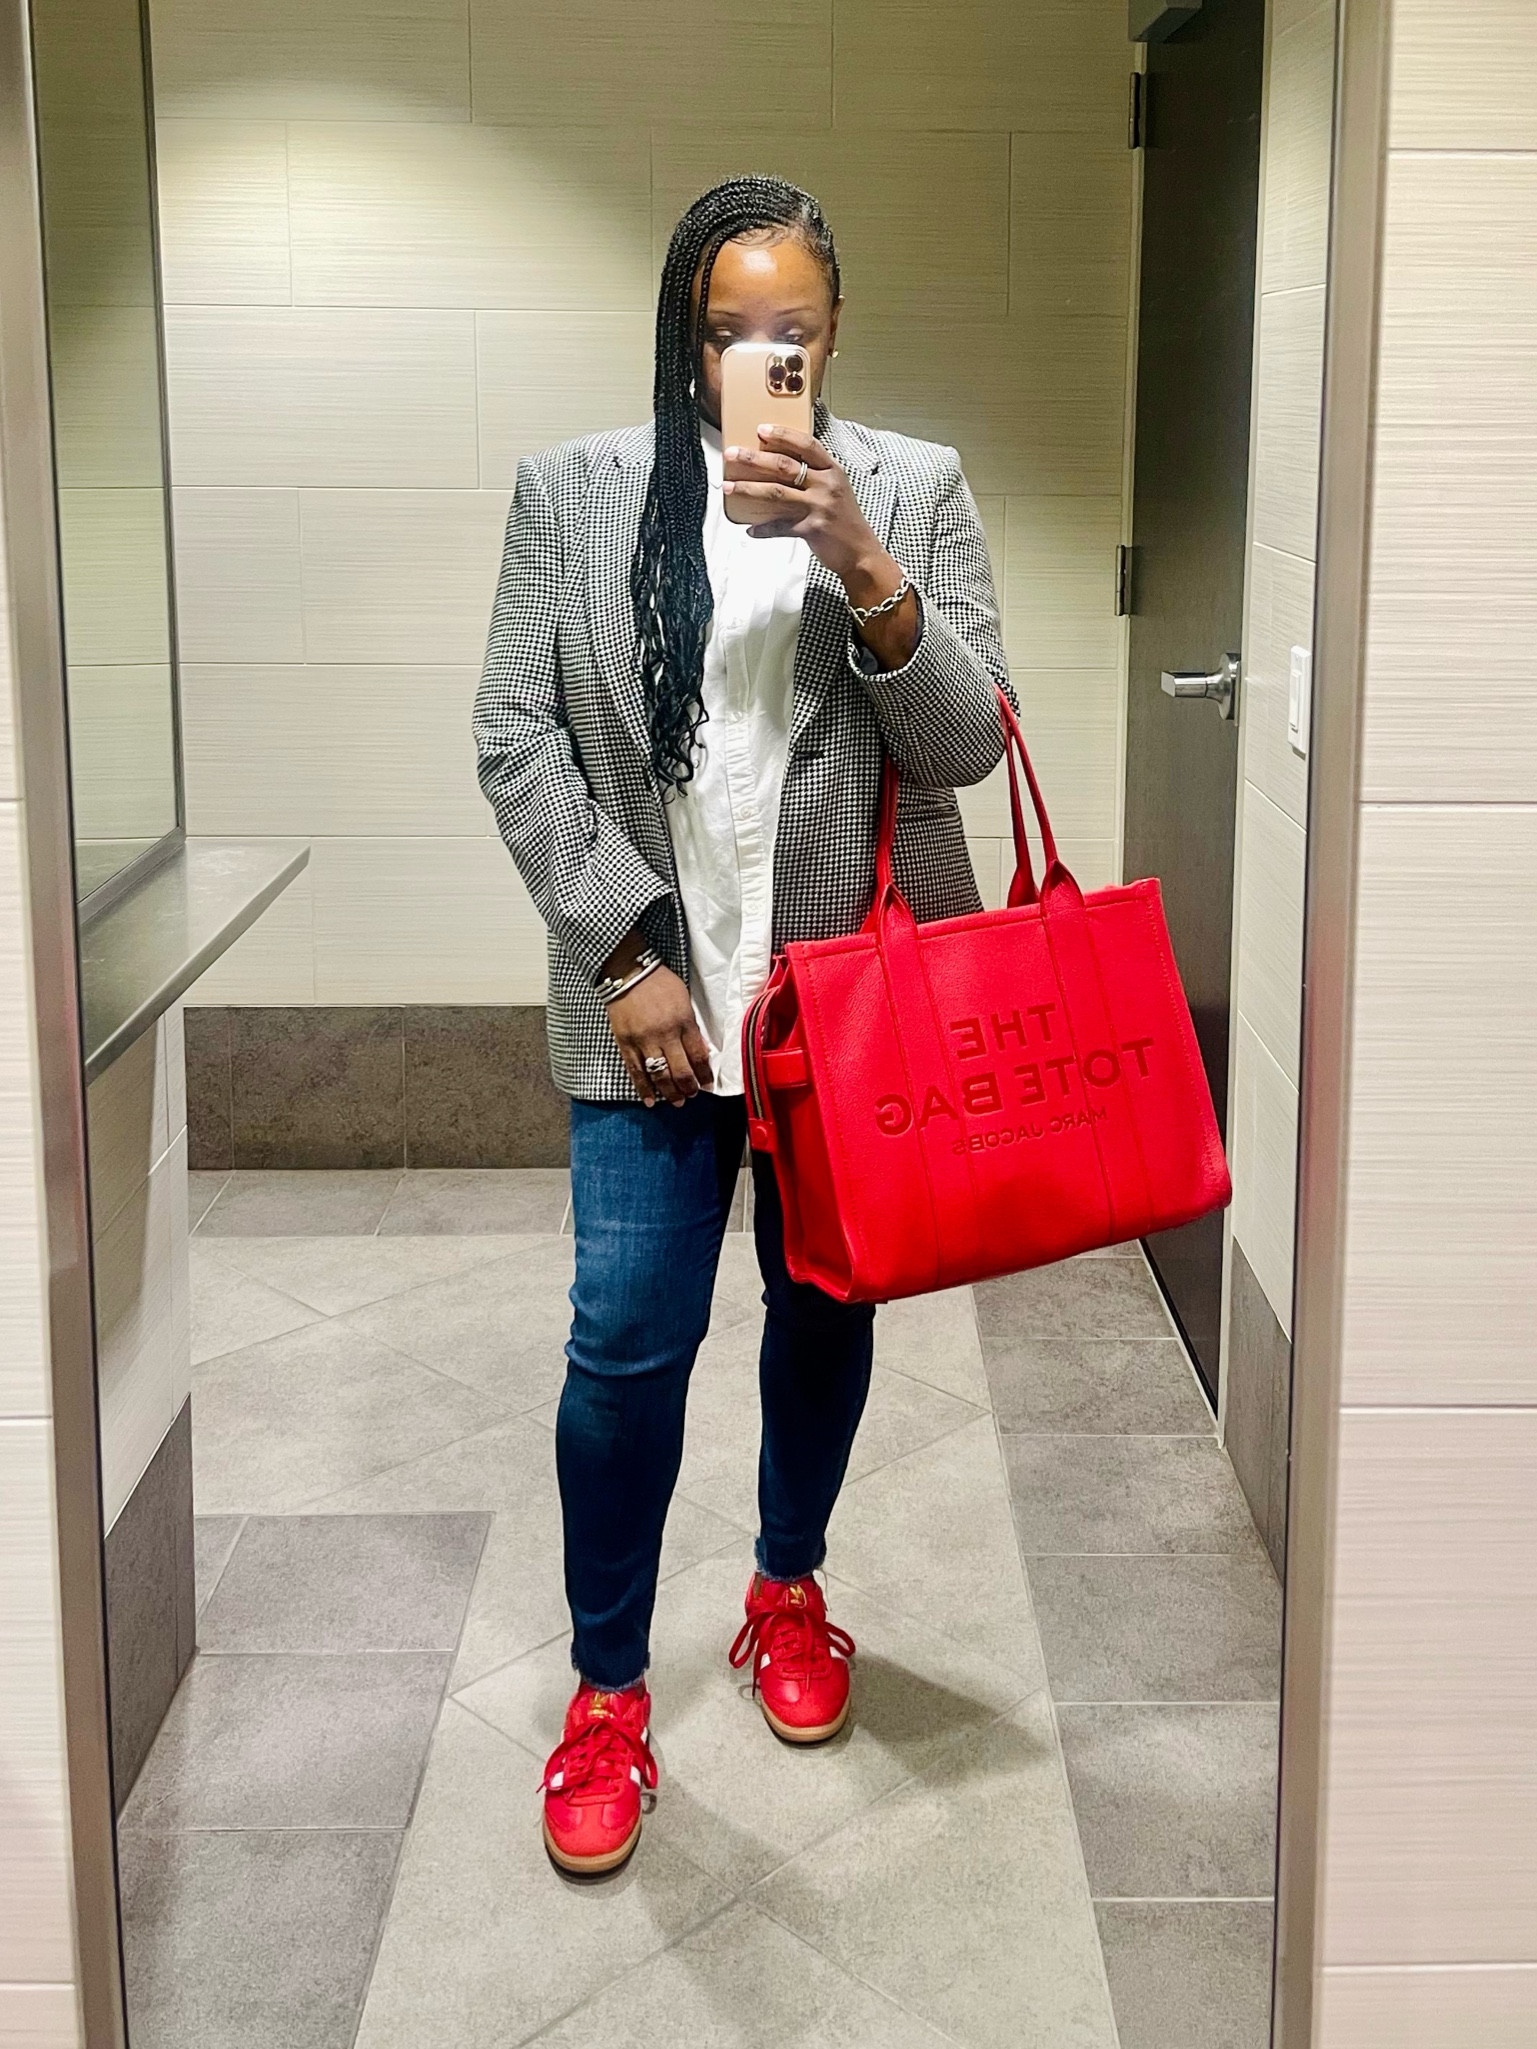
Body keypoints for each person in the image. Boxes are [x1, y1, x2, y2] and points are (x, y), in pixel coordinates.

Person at [473, 176, 1010, 1877]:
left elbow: (968, 743)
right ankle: (607, 1687)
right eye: (725, 331)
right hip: (650, 1011)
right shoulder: (575, 492)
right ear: (682, 336)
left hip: (843, 1007)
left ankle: (786, 1586)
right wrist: (622, 948)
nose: (758, 359)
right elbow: (513, 734)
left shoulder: (909, 489)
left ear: (833, 334)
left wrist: (861, 561)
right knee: (624, 1342)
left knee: (824, 1305)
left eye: (791, 330)